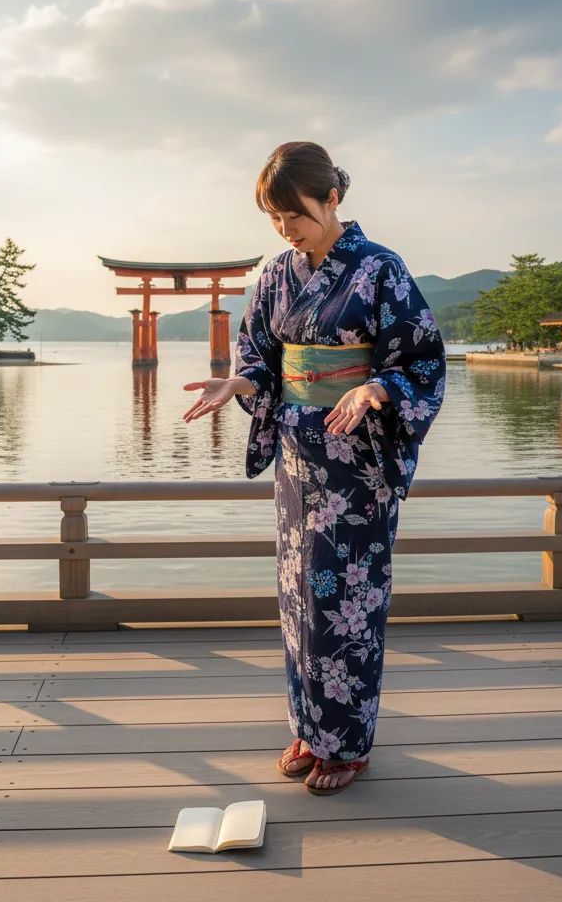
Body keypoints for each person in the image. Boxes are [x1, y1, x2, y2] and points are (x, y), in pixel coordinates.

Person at [183, 142, 445, 795]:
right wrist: (238, 384)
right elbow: (262, 356)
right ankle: (310, 728)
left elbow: (422, 360)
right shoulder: (278, 273)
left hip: (357, 461)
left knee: (345, 599)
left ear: (331, 198)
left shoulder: (380, 268)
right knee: (298, 595)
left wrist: (375, 388)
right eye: (274, 217)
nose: (284, 229)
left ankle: (347, 744)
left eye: (294, 214)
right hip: (298, 458)